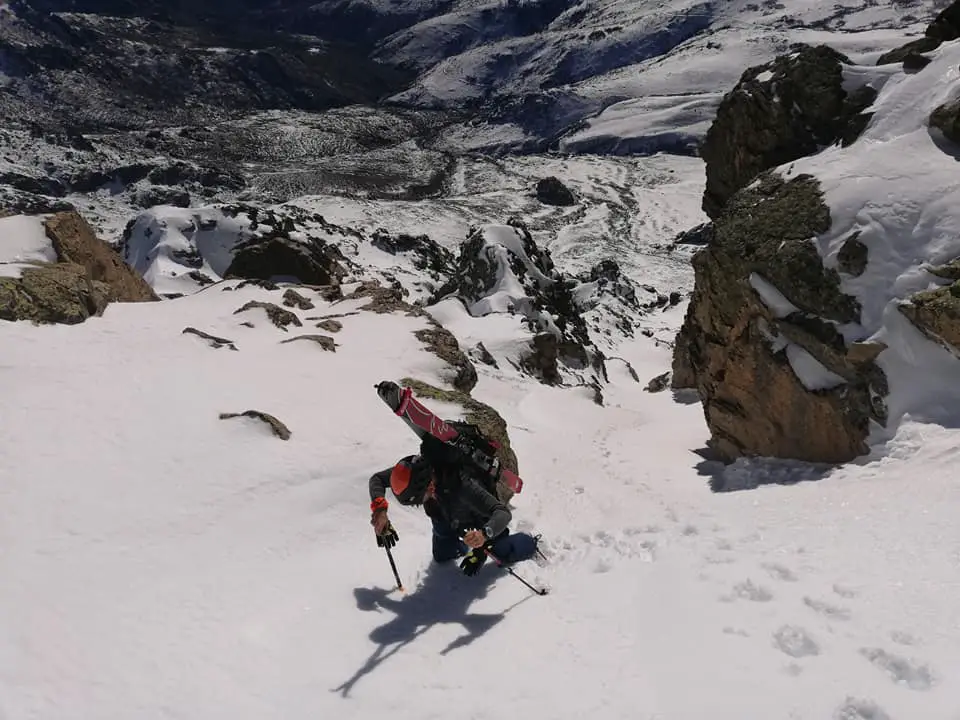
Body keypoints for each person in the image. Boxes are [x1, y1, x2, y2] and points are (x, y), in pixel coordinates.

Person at [368, 440, 540, 576]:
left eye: (422, 499)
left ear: (429, 486)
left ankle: (530, 543)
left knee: (501, 550)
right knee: (443, 555)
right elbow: (377, 479)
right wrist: (380, 511)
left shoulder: (463, 485)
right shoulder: (413, 470)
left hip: (481, 523)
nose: (420, 503)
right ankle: (463, 547)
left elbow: (502, 513)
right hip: (446, 519)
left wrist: (483, 537)